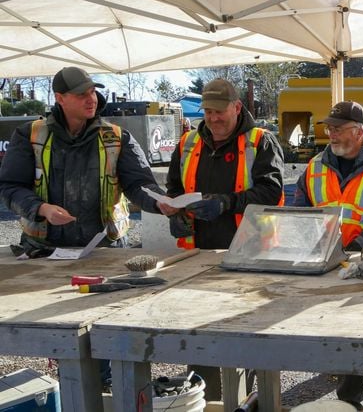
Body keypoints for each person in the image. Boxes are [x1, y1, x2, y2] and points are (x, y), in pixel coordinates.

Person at [0, 66, 176, 390]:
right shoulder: (30, 135)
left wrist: (160, 203)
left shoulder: (116, 136)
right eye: (81, 94)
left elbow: (140, 185)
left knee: (108, 328)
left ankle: (107, 389)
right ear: (60, 98)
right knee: (61, 329)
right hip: (46, 254)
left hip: (105, 253)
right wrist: (40, 209)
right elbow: (9, 187)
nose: (90, 99)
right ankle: (81, 390)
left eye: (92, 92)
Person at [164, 78, 284, 400]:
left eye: (220, 112)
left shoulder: (261, 141)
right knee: (198, 332)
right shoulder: (188, 143)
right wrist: (177, 215)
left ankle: (255, 398)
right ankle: (208, 400)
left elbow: (272, 191)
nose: (214, 119)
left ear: (237, 107)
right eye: (208, 112)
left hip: (251, 256)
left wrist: (226, 202)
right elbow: (174, 189)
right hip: (199, 257)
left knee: (249, 334)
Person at [294, 101, 363, 412]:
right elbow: (299, 216)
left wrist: (357, 249)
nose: (331, 134)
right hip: (328, 267)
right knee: (341, 332)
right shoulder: (315, 166)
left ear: (359, 132)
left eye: (338, 129)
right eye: (330, 128)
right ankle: (349, 399)